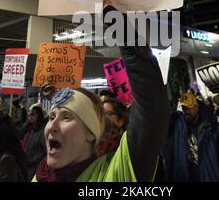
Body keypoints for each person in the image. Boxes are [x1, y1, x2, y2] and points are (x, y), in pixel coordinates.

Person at [32, 44, 170, 182]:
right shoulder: (41, 175)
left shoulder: (113, 172)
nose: (51, 126)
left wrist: (126, 36)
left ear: (91, 134)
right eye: (51, 117)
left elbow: (151, 110)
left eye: (66, 117)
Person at [163, 91, 219, 182]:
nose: (186, 111)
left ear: (196, 106)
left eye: (189, 107)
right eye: (184, 108)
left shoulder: (215, 130)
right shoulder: (178, 127)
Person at [21, 106, 47, 181]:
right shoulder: (29, 129)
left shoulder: (42, 131)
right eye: (29, 114)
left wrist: (36, 160)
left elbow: (45, 150)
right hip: (25, 164)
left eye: (33, 114)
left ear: (39, 115)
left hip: (34, 166)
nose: (30, 117)